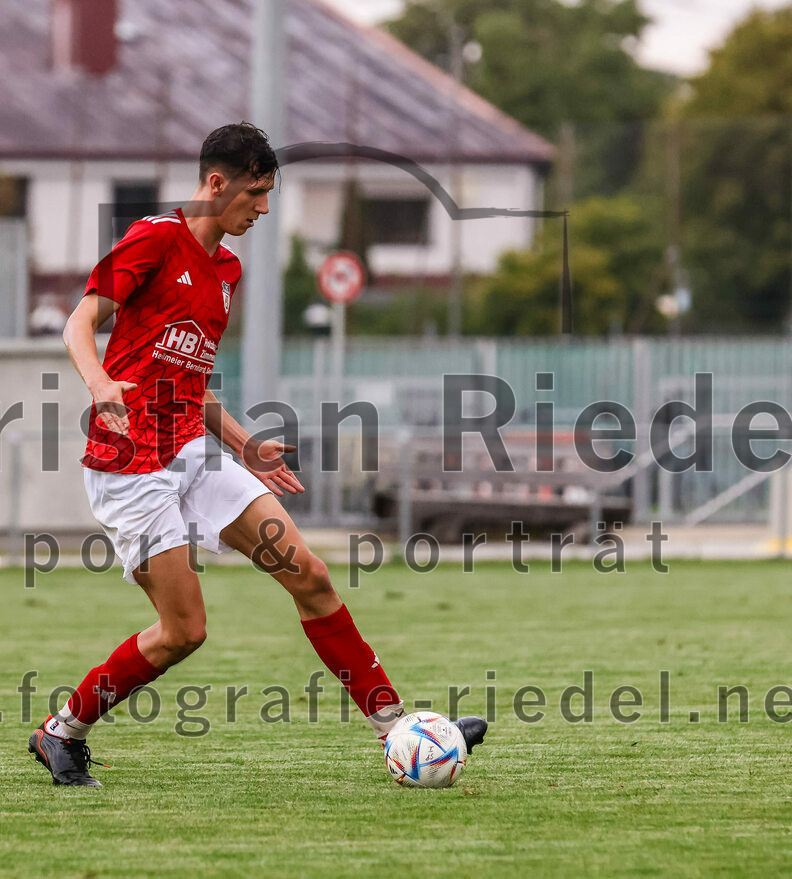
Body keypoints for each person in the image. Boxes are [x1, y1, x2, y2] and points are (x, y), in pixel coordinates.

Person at [28, 122, 486, 786]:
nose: (264, 208)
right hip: (131, 464)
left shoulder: (227, 269)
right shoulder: (155, 238)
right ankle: (62, 730)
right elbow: (79, 321)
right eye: (256, 193)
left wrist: (245, 445)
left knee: (311, 576)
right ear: (217, 184)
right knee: (183, 631)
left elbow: (190, 380)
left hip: (191, 451)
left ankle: (398, 728)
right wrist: (98, 382)